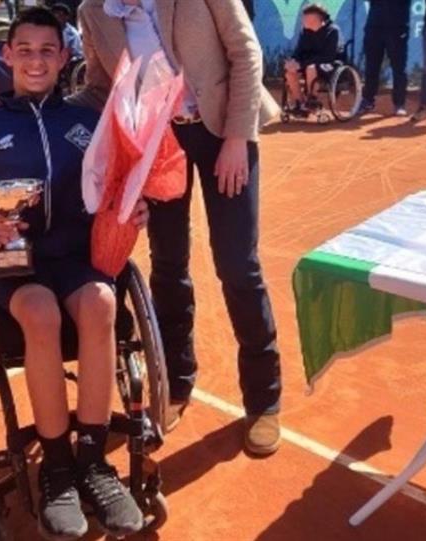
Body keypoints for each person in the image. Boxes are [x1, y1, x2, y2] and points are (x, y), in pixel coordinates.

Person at [0, 8, 149, 541]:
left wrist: (131, 207)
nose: (36, 61)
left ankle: (92, 461)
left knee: (102, 303)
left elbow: (111, 190)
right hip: (15, 267)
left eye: (47, 51)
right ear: (7, 56)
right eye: (25, 51)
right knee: (40, 313)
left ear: (65, 57)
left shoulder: (88, 124)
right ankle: (56, 467)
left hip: (76, 259)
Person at [71, 0, 283, 456]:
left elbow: (245, 51)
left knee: (238, 265)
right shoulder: (94, 11)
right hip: (157, 145)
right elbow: (102, 88)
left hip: (223, 129)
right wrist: (49, 107)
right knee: (168, 265)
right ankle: (176, 383)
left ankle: (264, 400)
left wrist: (237, 137)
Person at [284, 4, 341, 115]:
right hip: (308, 63)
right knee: (290, 72)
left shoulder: (333, 31)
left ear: (317, 20)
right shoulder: (305, 31)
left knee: (311, 68)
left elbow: (328, 56)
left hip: (329, 64)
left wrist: (302, 64)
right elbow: (298, 51)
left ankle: (312, 101)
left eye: (307, 19)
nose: (303, 21)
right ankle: (300, 103)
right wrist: (293, 61)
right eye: (304, 18)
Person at [359, 0, 410, 116]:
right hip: (374, 27)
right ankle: (368, 100)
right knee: (371, 66)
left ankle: (399, 104)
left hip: (397, 28)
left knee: (399, 68)